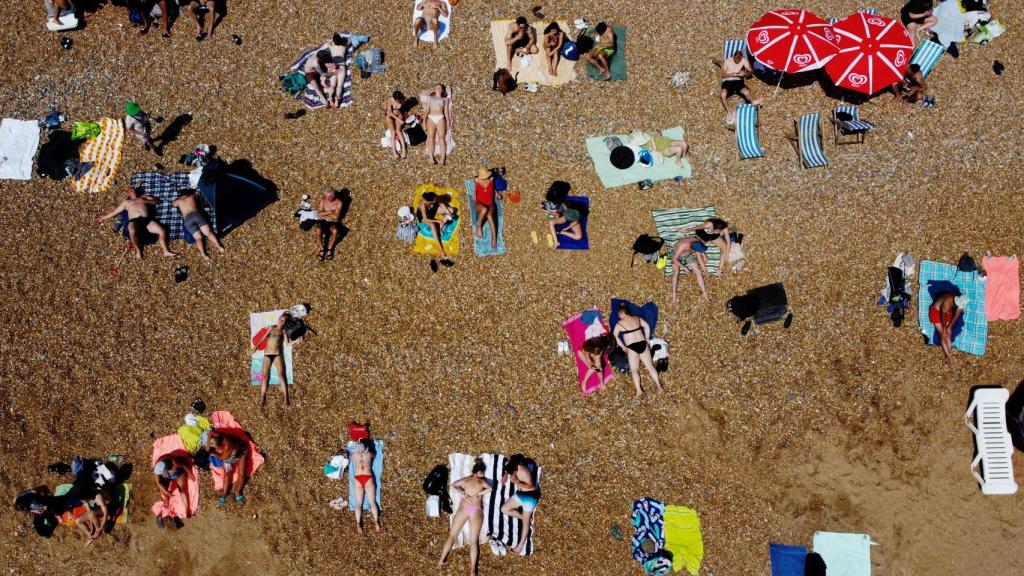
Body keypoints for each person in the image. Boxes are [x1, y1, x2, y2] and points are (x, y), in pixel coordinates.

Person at [438, 458, 492, 575]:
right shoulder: (481, 482)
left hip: (464, 508)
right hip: (476, 510)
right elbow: (490, 489)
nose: (483, 474)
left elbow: (453, 485)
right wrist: (478, 493)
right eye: (482, 472)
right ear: (478, 472)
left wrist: (463, 493)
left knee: (452, 535)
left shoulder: (466, 480)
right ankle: (473, 569)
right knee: (474, 541)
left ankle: (441, 560)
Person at [96, 186, 178, 259]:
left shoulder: (144, 197)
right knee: (131, 230)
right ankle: (138, 250)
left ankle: (166, 251)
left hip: (147, 220)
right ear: (128, 193)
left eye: (132, 189)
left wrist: (146, 201)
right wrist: (104, 218)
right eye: (129, 190)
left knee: (162, 230)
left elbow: (157, 202)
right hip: (135, 221)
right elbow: (114, 212)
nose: (131, 190)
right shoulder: (126, 202)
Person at [613, 303, 664, 397]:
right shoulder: (637, 318)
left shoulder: (619, 324)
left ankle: (639, 390)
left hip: (632, 347)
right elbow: (647, 327)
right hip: (643, 344)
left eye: (619, 314)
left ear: (622, 312)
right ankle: (659, 386)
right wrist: (647, 339)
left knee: (634, 370)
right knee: (650, 366)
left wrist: (623, 347)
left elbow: (615, 337)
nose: (618, 316)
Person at [500, 455, 541, 555]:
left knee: (525, 523)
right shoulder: (511, 466)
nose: (512, 475)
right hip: (520, 494)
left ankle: (520, 546)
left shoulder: (523, 471)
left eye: (512, 473)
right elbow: (509, 465)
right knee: (504, 509)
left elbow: (530, 485)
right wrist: (505, 475)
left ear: (516, 469)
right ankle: (524, 517)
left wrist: (518, 482)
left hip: (530, 495)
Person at [250, 313, 292, 406]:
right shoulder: (271, 328)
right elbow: (262, 339)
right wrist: (255, 348)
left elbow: (287, 344)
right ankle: (263, 397)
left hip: (277, 354)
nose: (281, 321)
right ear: (278, 319)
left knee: (281, 375)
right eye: (281, 319)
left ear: (285, 323)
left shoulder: (284, 332)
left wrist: (297, 340)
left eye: (283, 321)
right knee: (265, 376)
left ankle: (286, 397)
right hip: (267, 354)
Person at [172, 189, 224, 261]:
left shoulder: (178, 201)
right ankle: (218, 245)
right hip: (196, 214)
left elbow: (173, 205)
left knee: (198, 238)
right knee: (208, 232)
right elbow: (199, 195)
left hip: (187, 219)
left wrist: (176, 201)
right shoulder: (191, 196)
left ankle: (204, 254)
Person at [206, 429, 250, 504]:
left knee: (241, 473)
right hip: (229, 455)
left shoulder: (227, 447)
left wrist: (214, 453)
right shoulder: (218, 435)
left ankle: (238, 492)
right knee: (227, 474)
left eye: (216, 448)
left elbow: (223, 457)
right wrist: (208, 444)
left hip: (241, 451)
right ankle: (224, 494)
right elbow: (210, 432)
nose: (215, 449)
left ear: (221, 445)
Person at [152, 455, 193, 528]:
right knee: (163, 489)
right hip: (168, 477)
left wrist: (190, 474)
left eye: (163, 472)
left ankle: (187, 508)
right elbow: (158, 483)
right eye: (161, 473)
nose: (162, 474)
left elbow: (183, 465)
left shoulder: (174, 464)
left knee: (182, 489)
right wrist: (167, 493)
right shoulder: (157, 469)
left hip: (178, 474)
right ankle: (167, 500)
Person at [350, 439, 382, 535]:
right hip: (368, 478)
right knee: (372, 501)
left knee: (358, 503)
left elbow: (351, 454)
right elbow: (374, 455)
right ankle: (376, 522)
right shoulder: (369, 454)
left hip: (358, 478)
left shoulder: (354, 455)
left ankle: (358, 523)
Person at [417, 191, 456, 266]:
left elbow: (440, 202)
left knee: (451, 210)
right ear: (429, 201)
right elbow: (425, 219)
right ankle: (441, 250)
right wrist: (437, 221)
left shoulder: (432, 196)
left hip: (432, 211)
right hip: (424, 217)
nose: (435, 201)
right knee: (433, 225)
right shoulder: (423, 205)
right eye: (434, 201)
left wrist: (447, 211)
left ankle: (441, 226)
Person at [670, 237, 711, 304]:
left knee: (698, 271)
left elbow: (699, 252)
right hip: (677, 256)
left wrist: (704, 257)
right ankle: (674, 294)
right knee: (676, 272)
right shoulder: (682, 245)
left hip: (688, 255)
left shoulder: (696, 241)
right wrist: (684, 267)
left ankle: (704, 293)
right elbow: (674, 259)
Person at [930, 291, 966, 364]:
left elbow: (956, 314)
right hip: (936, 311)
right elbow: (943, 316)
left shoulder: (961, 299)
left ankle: (949, 354)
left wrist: (949, 327)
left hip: (947, 311)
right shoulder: (947, 302)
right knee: (943, 334)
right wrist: (945, 328)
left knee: (949, 333)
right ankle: (949, 356)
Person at [472, 167, 502, 249]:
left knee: (489, 216)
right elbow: (475, 187)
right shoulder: (477, 180)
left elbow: (494, 188)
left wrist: (497, 193)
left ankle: (494, 239)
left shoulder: (491, 179)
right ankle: (479, 227)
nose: (486, 178)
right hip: (480, 203)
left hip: (490, 203)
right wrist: (474, 193)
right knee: (484, 209)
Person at [422, 84, 452, 165]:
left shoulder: (445, 99)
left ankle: (443, 159)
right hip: (431, 117)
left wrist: (448, 121)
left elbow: (446, 111)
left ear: (442, 90)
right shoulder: (430, 98)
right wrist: (424, 121)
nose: (438, 88)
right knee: (431, 137)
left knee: (441, 138)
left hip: (440, 118)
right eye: (437, 87)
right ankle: (431, 157)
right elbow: (427, 110)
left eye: (440, 87)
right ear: (434, 89)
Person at [316, 188, 343, 261]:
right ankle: (322, 249)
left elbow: (336, 217)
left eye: (327, 197)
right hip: (324, 221)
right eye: (325, 196)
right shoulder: (323, 200)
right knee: (318, 230)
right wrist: (331, 211)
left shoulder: (339, 202)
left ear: (332, 197)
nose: (326, 198)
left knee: (335, 231)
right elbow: (319, 213)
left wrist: (324, 212)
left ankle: (330, 249)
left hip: (334, 222)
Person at [325, 34, 350, 108]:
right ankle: (337, 99)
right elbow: (349, 42)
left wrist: (331, 41)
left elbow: (327, 43)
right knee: (340, 85)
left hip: (333, 66)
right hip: (341, 66)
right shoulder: (343, 47)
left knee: (332, 85)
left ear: (334, 42)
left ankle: (330, 99)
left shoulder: (332, 47)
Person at [382, 91, 408, 159]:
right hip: (390, 116)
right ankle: (394, 152)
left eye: (398, 100)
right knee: (393, 132)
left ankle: (404, 151)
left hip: (398, 114)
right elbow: (390, 113)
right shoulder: (390, 100)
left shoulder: (403, 99)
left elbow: (402, 108)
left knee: (398, 131)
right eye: (396, 100)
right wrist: (399, 120)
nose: (398, 101)